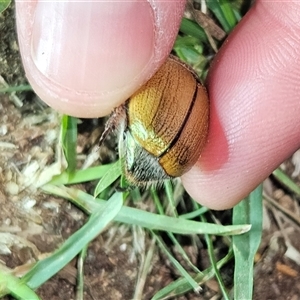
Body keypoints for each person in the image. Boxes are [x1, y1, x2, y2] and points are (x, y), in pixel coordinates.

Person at [15, 1, 300, 210]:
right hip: (172, 87)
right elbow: (127, 114)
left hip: (182, 95)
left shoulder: (178, 161)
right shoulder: (146, 129)